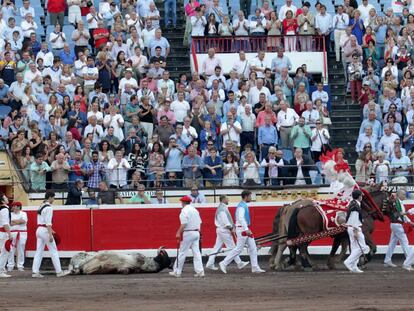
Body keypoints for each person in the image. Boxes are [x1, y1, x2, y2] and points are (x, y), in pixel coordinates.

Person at [219, 190, 265, 274]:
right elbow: (240, 218)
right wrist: (246, 229)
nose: (251, 198)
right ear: (246, 197)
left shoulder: (242, 205)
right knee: (238, 249)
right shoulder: (242, 206)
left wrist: (247, 228)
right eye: (250, 196)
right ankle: (223, 263)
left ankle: (255, 267)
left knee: (253, 248)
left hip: (243, 228)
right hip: (242, 229)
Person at [206, 195, 249, 270]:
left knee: (217, 247)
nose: (228, 200)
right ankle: (239, 263)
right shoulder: (222, 209)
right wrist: (231, 228)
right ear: (223, 199)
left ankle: (210, 263)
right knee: (232, 247)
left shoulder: (221, 208)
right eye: (227, 199)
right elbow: (225, 222)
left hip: (221, 230)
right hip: (224, 230)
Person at [32, 191, 68, 278]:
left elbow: (43, 222)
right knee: (53, 251)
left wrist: (52, 230)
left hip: (39, 230)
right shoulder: (49, 208)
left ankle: (35, 272)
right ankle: (59, 271)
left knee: (39, 251)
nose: (54, 199)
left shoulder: (41, 205)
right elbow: (48, 223)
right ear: (50, 197)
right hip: (45, 231)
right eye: (53, 198)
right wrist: (50, 235)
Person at [170, 195, 204, 277]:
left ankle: (177, 271)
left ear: (184, 202)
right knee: (197, 253)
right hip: (196, 232)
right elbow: (200, 222)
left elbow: (184, 224)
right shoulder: (195, 210)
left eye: (181, 202)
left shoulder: (184, 211)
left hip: (188, 233)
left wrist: (178, 232)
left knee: (182, 252)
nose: (181, 203)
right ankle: (200, 271)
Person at [384, 189, 412, 268]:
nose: (405, 196)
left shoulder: (398, 202)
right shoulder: (397, 202)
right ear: (399, 194)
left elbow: (403, 215)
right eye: (403, 195)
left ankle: (387, 260)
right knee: (404, 242)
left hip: (395, 224)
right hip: (397, 225)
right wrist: (409, 220)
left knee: (392, 243)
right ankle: (408, 262)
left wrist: (410, 222)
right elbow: (401, 214)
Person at [343, 189, 369, 273]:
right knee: (363, 248)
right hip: (355, 228)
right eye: (361, 195)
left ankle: (354, 267)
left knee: (355, 248)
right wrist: (355, 231)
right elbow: (354, 219)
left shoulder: (353, 203)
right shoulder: (355, 206)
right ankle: (348, 262)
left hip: (351, 227)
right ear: (359, 197)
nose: (362, 197)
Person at [6, 202, 27, 272]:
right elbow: (9, 223)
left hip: (22, 233)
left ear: (19, 207)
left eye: (15, 206)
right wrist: (18, 221)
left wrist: (14, 222)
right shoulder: (10, 214)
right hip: (12, 233)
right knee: (11, 250)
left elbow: (23, 221)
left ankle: (20, 265)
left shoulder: (23, 213)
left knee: (21, 249)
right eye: (13, 206)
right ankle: (10, 265)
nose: (13, 207)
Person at [0, 195, 12, 278]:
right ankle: (1, 270)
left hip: (2, 232)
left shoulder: (2, 209)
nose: (7, 198)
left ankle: (2, 269)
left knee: (3, 252)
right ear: (2, 201)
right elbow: (5, 223)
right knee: (4, 252)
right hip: (4, 233)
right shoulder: (4, 209)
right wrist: (10, 234)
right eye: (5, 198)